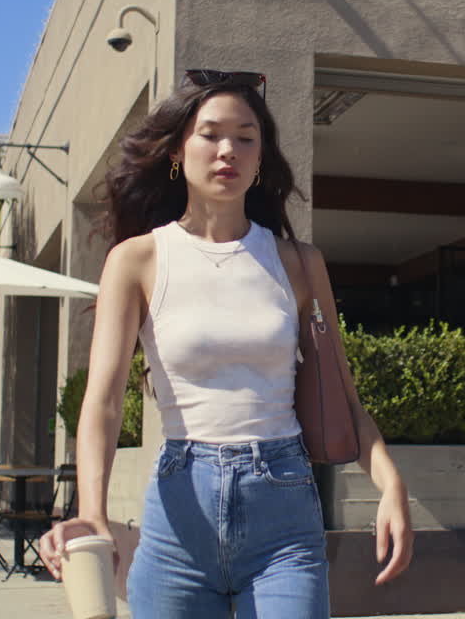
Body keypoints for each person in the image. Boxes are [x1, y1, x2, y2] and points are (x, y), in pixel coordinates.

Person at [37, 69, 413, 617]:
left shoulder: (299, 263)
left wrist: (390, 483)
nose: (227, 150)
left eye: (245, 136)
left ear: (261, 159)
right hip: (177, 519)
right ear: (177, 151)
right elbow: (104, 401)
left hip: (283, 513)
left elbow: (344, 398)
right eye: (210, 133)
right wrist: (91, 512)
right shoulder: (138, 260)